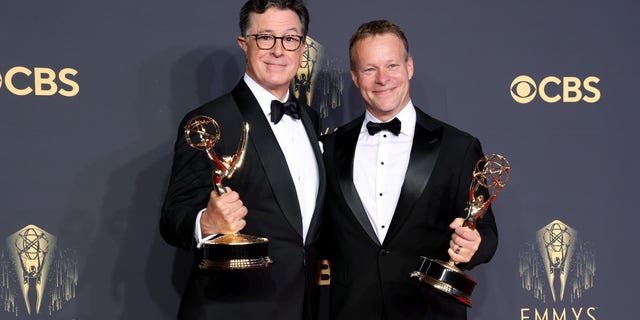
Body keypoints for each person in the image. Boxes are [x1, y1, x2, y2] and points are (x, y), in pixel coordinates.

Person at [321, 20, 498, 320]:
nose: (382, 79)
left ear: (409, 67)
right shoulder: (328, 147)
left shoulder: (458, 147)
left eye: (391, 65)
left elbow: (486, 230)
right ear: (354, 76)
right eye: (369, 69)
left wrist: (475, 246)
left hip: (430, 310)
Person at [160, 1, 325, 319]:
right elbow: (172, 218)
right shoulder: (208, 122)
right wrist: (206, 223)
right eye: (265, 37)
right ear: (243, 44)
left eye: (289, 38)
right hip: (233, 307)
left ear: (302, 47)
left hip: (303, 305)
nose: (278, 50)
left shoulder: (310, 119)